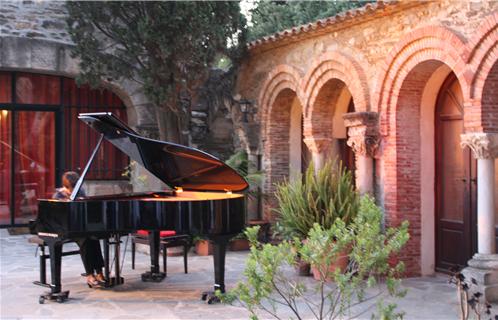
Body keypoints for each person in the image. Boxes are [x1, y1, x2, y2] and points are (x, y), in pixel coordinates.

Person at [53, 171, 106, 288]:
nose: (75, 190)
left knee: (94, 238)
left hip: (79, 227)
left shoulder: (80, 192)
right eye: (72, 188)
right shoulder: (58, 196)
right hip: (66, 229)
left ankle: (99, 272)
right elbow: (57, 217)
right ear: (67, 186)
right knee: (85, 240)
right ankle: (90, 275)